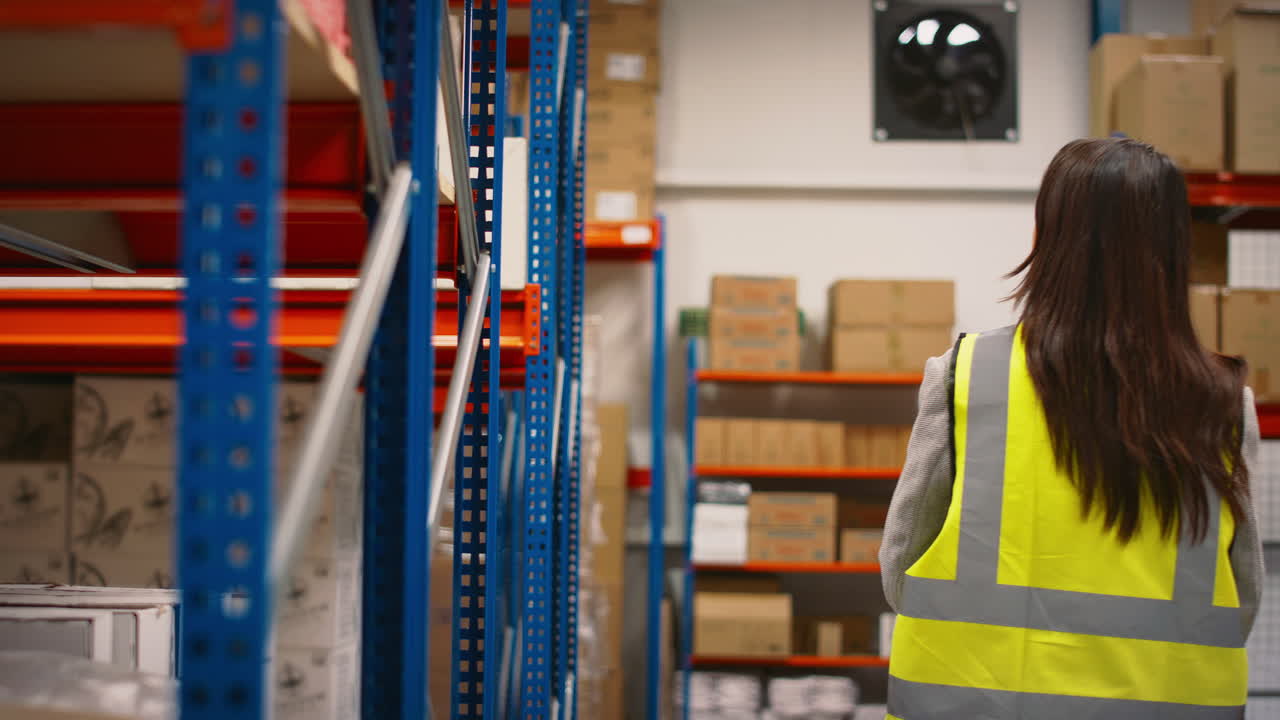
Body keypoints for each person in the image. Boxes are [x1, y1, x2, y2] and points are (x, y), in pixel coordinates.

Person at [880, 137, 1263, 719]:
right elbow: (1243, 598)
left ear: (1050, 237)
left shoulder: (967, 377)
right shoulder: (1222, 403)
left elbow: (901, 569)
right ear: (1175, 250)